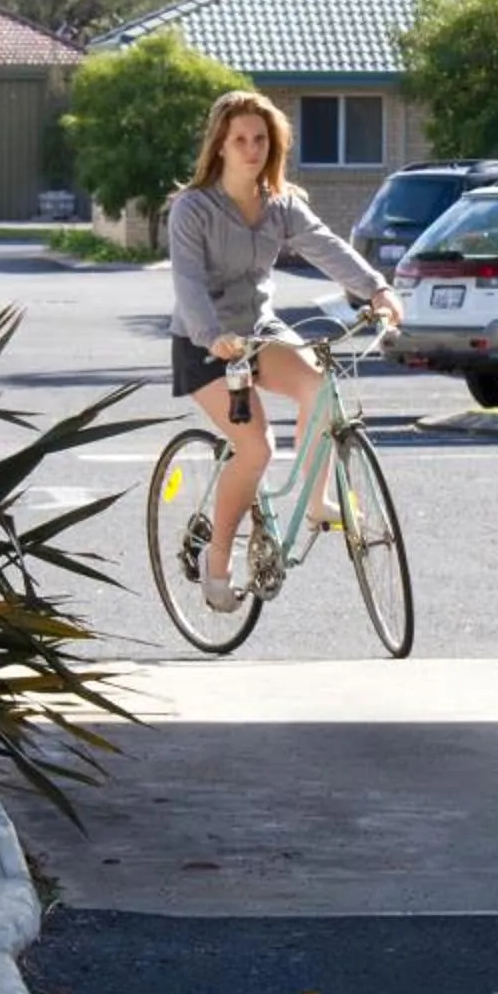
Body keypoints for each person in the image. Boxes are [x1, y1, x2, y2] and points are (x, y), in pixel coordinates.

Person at [165, 89, 404, 612]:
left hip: (259, 329)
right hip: (204, 343)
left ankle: (317, 501)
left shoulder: (279, 205)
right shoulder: (193, 209)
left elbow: (327, 247)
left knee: (319, 385)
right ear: (221, 147)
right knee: (257, 449)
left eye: (260, 139)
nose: (252, 149)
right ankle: (219, 561)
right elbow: (189, 285)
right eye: (240, 140)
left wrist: (376, 289)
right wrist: (213, 336)